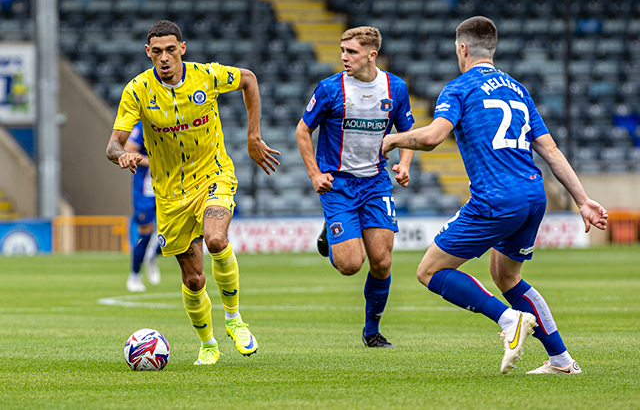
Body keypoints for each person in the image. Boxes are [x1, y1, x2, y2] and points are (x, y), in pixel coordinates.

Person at [382, 16, 608, 374]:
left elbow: (431, 137)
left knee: (430, 271)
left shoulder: (459, 88)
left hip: (496, 198)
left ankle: (508, 320)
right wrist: (583, 200)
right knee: (506, 277)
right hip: (533, 197)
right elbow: (550, 151)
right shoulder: (518, 89)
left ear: (462, 48)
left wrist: (393, 139)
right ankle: (562, 361)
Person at [106, 20, 280, 365]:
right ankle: (208, 344)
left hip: (213, 175)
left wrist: (253, 136)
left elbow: (248, 79)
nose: (164, 58)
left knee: (216, 239)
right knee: (194, 277)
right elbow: (113, 144)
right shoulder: (137, 91)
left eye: (171, 49)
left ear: (182, 48)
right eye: (157, 52)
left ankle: (235, 319)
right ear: (148, 53)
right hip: (170, 195)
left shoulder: (206, 75)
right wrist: (121, 154)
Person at [296, 26, 415, 348]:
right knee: (350, 265)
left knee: (382, 261)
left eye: (351, 52)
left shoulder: (395, 87)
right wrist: (314, 175)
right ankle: (334, 232)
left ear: (371, 55)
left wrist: (404, 164)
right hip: (338, 184)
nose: (344, 57)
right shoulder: (330, 88)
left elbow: (407, 132)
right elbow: (302, 131)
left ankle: (371, 331)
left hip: (376, 183)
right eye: (342, 50)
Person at [125, 121, 162, 293]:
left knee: (176, 232)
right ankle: (135, 275)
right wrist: (152, 162)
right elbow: (130, 148)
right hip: (146, 189)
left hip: (171, 186)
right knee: (145, 233)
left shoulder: (177, 117)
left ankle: (153, 254)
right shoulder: (143, 125)